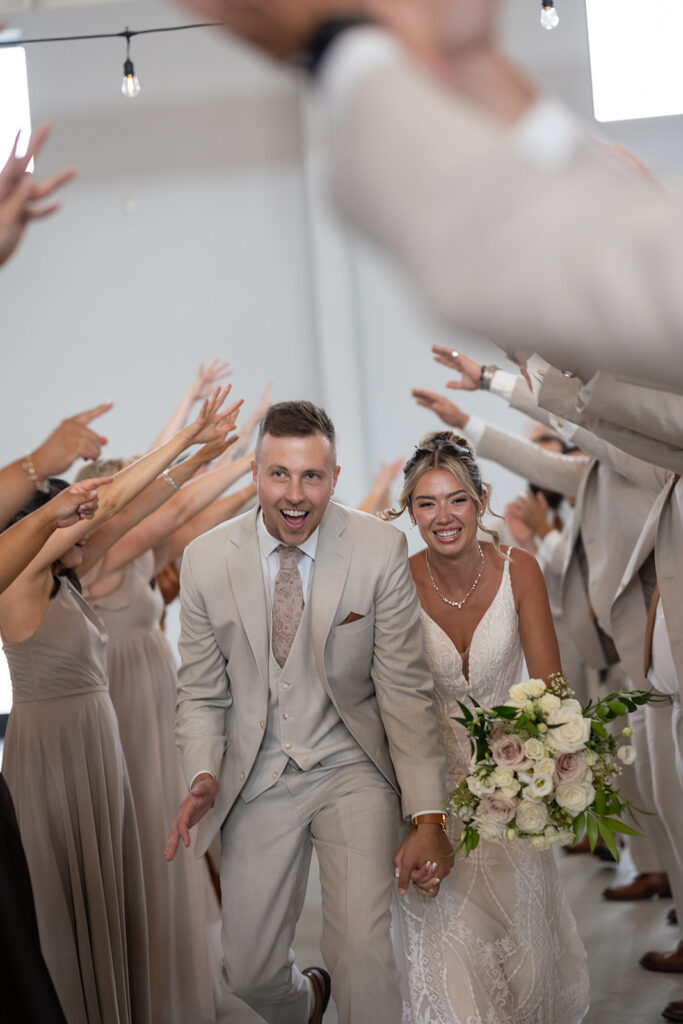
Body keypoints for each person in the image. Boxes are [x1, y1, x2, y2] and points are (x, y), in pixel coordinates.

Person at [166, 399, 451, 1024]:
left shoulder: (379, 550)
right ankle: (307, 1002)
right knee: (248, 970)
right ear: (255, 475)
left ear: (335, 478)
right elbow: (201, 691)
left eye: (312, 476)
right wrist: (201, 773)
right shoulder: (206, 560)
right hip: (256, 774)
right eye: (279, 474)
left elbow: (405, 692)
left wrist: (427, 813)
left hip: (353, 768)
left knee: (363, 951)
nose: (294, 495)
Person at [0, 387, 237, 1024]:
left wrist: (191, 458)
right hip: (53, 756)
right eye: (73, 523)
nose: (93, 532)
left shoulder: (67, 576)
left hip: (97, 754)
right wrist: (184, 440)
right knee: (65, 908)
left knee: (110, 908)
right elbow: (108, 504)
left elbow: (133, 510)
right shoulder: (20, 580)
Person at [384, 429, 589, 1024]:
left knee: (525, 975)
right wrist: (420, 815)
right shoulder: (395, 582)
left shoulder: (519, 570)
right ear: (409, 511)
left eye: (456, 500)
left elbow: (553, 696)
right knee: (457, 986)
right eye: (427, 503)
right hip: (431, 801)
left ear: (481, 500)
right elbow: (392, 703)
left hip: (514, 796)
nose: (443, 516)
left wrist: (533, 780)